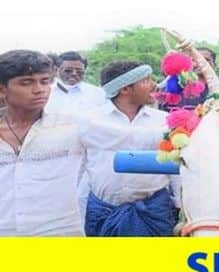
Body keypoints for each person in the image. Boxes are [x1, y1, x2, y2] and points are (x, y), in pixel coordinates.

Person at [0, 50, 164, 236]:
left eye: (45, 81)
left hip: (58, 234)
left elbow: (136, 138)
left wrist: (190, 127)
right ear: (2, 89)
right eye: (26, 82)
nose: (39, 89)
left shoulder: (74, 124)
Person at [83, 61, 178, 236]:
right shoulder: (89, 121)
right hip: (104, 211)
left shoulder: (164, 121)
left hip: (154, 211)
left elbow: (175, 163)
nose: (154, 84)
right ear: (125, 89)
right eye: (146, 80)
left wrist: (179, 203)